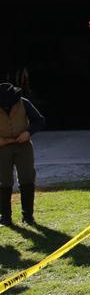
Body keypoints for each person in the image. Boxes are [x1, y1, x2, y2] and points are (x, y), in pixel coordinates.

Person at [0, 82, 46, 226]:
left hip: (23, 146)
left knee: (27, 179)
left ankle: (28, 217)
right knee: (3, 181)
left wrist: (28, 132)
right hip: (2, 148)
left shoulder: (24, 103)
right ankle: (5, 217)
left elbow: (39, 121)